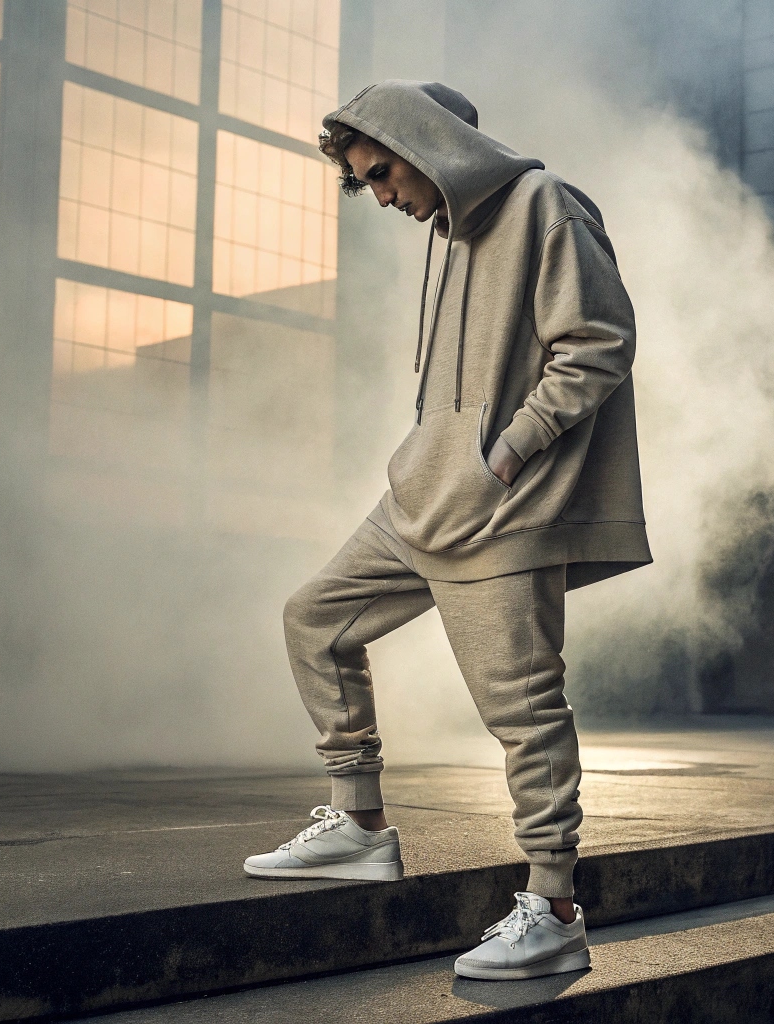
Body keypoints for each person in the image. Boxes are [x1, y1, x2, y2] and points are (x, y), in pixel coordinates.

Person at [240, 81, 649, 982]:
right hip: (422, 495)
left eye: (382, 172)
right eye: (365, 181)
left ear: (423, 145)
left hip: (502, 508)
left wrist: (505, 454)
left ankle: (553, 907)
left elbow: (599, 343)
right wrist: (449, 455)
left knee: (523, 711)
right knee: (314, 619)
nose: (381, 194)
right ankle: (357, 825)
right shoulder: (450, 235)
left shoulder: (547, 206)